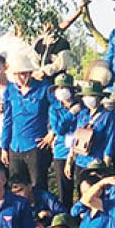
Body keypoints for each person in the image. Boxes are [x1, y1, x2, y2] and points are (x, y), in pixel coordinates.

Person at [0, 51, 53, 189]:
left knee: (37, 186)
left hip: (35, 145)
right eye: (16, 75)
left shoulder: (44, 88)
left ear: (29, 73)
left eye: (23, 74)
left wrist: (52, 133)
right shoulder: (10, 90)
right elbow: (7, 119)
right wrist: (4, 147)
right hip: (15, 146)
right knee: (16, 186)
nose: (20, 78)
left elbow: (55, 110)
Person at [71, 80, 115, 181]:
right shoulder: (82, 114)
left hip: (96, 160)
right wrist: (71, 157)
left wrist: (107, 160)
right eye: (86, 96)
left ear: (99, 97)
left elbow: (110, 139)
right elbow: (76, 135)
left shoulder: (108, 115)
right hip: (80, 159)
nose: (88, 99)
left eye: (92, 95)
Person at [47, 73, 80, 208]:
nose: (61, 90)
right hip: (61, 151)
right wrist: (71, 113)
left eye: (64, 87)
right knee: (64, 190)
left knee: (80, 187)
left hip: (79, 151)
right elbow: (58, 129)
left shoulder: (81, 106)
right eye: (58, 88)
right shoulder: (54, 109)